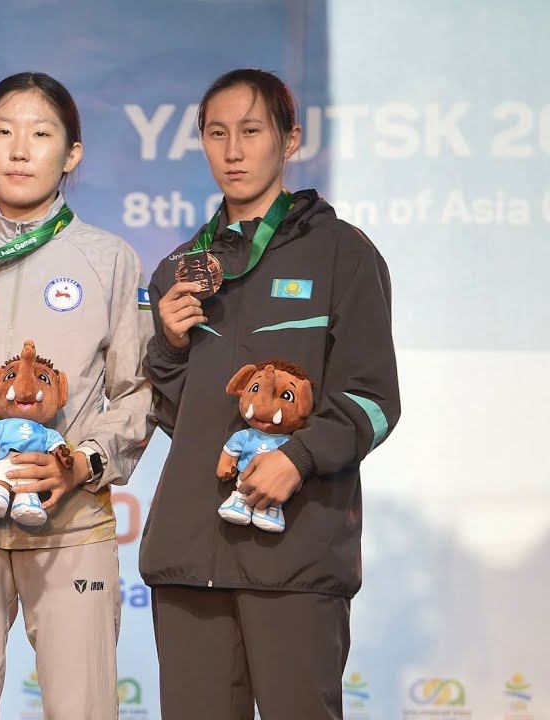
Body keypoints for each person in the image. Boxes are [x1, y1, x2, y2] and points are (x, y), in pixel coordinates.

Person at [141, 67, 401, 719]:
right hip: (189, 554)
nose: (233, 151)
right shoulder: (180, 269)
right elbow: (180, 417)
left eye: (251, 131)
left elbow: (373, 399)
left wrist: (299, 457)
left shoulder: (342, 253)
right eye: (217, 133)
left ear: (290, 140)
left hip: (295, 554)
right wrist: (167, 347)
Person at [0, 71, 153, 720]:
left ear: (71, 154)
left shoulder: (110, 259)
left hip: (70, 519)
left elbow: (137, 393)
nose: (19, 150)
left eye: (41, 134)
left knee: (83, 707)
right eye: (3, 132)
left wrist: (83, 462)